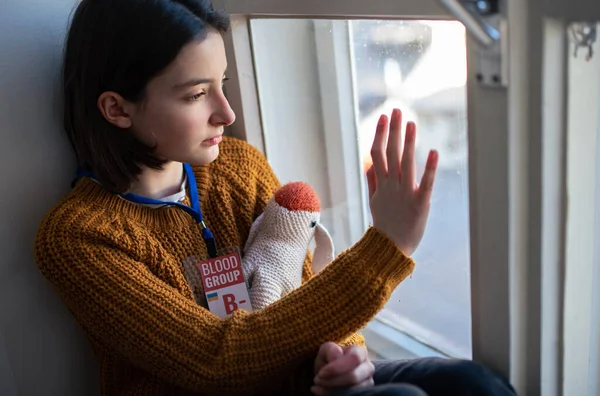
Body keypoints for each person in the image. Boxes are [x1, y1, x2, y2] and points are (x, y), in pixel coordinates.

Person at [34, 0, 516, 395]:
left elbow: (302, 286)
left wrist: (345, 353)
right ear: (117, 108)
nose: (226, 112)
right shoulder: (78, 236)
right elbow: (216, 361)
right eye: (196, 94)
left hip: (299, 381)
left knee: (472, 384)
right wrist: (387, 248)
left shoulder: (238, 166)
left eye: (222, 84)